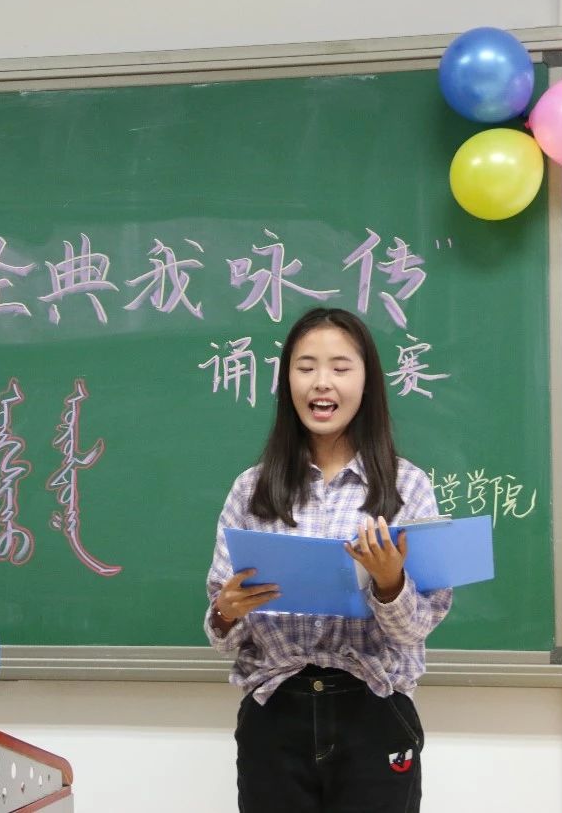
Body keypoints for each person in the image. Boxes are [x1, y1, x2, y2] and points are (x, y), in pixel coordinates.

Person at [204, 306, 453, 813]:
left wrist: (390, 584)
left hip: (376, 710)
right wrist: (227, 612)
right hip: (275, 712)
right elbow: (222, 635)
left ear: (367, 382)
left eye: (340, 368)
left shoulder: (407, 487)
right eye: (305, 367)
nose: (322, 382)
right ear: (287, 381)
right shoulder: (251, 489)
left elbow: (417, 628)